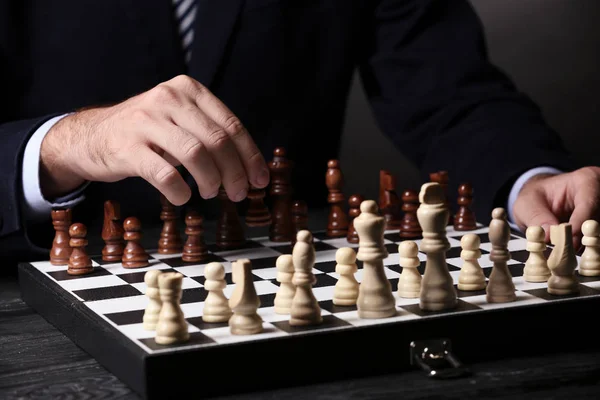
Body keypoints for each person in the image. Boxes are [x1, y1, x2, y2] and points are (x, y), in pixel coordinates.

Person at [0, 0, 598, 263]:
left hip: (288, 266)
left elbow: (449, 89)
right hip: (37, 302)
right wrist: (64, 145)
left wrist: (528, 180)